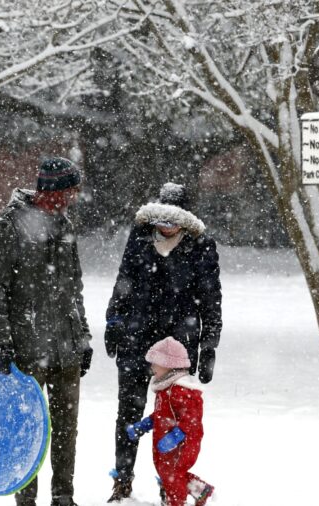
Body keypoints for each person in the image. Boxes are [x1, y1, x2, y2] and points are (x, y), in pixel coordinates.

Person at [0, 157, 93, 506]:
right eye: (70, 191)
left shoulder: (65, 225)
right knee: (26, 431)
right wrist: (0, 338)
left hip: (67, 347)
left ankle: (64, 497)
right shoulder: (8, 226)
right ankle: (25, 500)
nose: (73, 198)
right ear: (53, 191)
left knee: (65, 430)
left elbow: (74, 287)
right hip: (27, 347)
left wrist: (83, 336)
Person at [105, 182, 222, 502]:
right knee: (128, 412)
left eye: (173, 221)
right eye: (162, 220)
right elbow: (124, 279)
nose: (166, 226)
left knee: (173, 421)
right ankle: (123, 478)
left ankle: (169, 482)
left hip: (178, 345)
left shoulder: (201, 245)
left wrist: (209, 343)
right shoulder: (140, 238)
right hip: (136, 337)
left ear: (185, 219)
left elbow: (210, 297)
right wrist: (113, 319)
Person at [127, 336, 214, 506]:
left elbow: (193, 416)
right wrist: (144, 425)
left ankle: (176, 503)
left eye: (155, 363)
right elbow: (161, 414)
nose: (152, 367)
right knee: (168, 471)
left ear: (168, 365)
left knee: (172, 474)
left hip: (183, 443)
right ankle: (200, 490)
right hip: (165, 441)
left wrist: (177, 434)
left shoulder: (181, 389)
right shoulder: (165, 387)